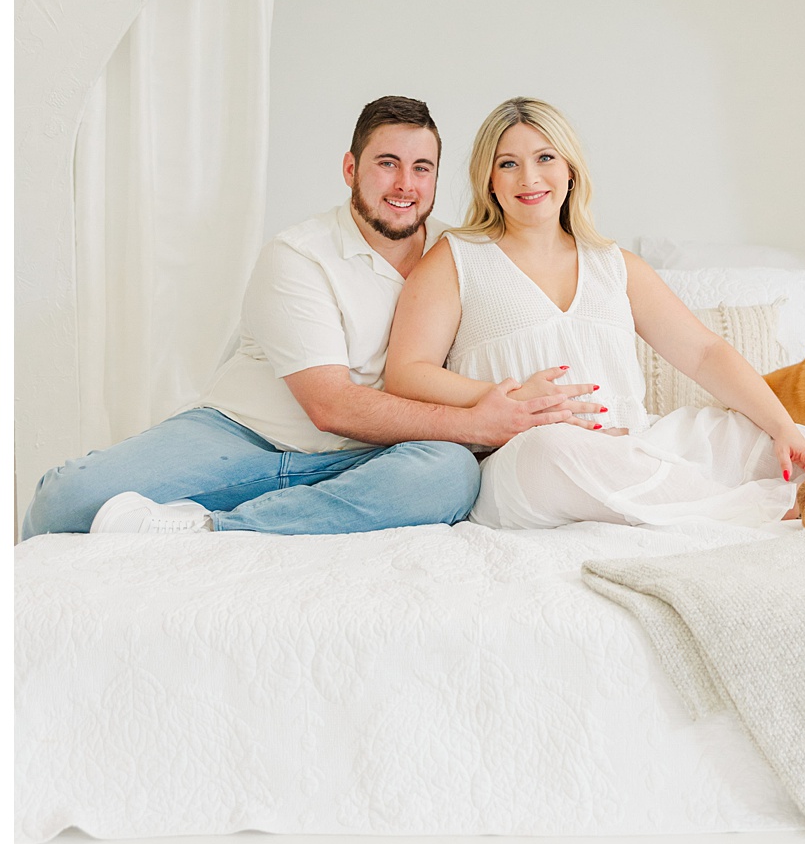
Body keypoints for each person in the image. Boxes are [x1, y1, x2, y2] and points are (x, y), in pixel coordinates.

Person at [22, 96, 596, 539]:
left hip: (375, 456)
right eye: (386, 164)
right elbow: (329, 406)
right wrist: (476, 426)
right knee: (63, 501)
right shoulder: (299, 255)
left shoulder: (461, 255)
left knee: (447, 475)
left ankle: (207, 531)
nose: (404, 184)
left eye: (422, 169)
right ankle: (247, 508)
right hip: (249, 435)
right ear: (350, 168)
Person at [384, 97, 805, 530]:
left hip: (634, 439)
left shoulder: (614, 265)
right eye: (508, 163)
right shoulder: (456, 259)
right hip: (521, 462)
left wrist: (782, 426)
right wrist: (503, 400)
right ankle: (759, 510)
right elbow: (405, 373)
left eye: (545, 158)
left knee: (755, 435)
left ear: (570, 170)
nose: (529, 178)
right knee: (554, 448)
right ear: (489, 180)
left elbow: (704, 353)